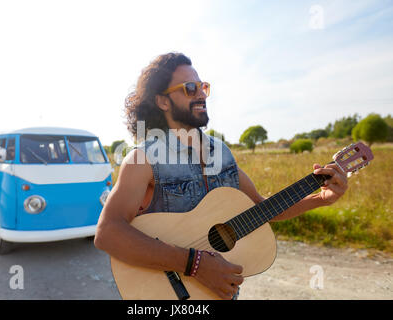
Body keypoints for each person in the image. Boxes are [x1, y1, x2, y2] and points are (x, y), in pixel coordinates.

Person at [94, 52, 348, 300]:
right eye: (190, 88)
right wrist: (195, 264)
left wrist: (321, 199)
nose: (202, 94)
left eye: (203, 86)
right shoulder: (144, 159)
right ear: (163, 101)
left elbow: (262, 209)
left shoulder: (221, 153)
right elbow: (108, 232)